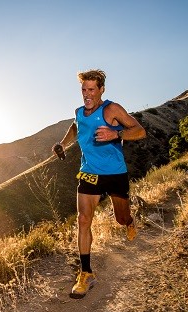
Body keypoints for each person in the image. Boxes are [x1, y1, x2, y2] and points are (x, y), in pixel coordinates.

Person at [53, 69, 146, 298]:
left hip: (115, 172)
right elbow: (76, 126)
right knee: (83, 220)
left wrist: (117, 135)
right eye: (83, 89)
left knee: (120, 218)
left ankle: (129, 221)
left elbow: (140, 131)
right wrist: (63, 143)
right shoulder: (79, 112)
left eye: (91, 89)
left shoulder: (111, 109)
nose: (87, 94)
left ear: (101, 89)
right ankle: (86, 273)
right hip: (89, 172)